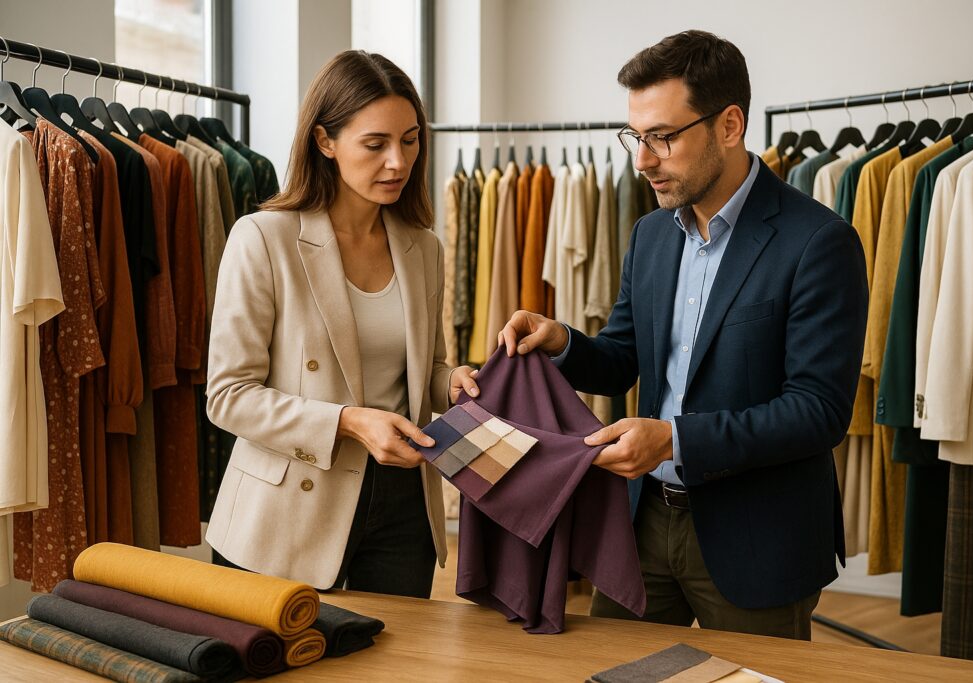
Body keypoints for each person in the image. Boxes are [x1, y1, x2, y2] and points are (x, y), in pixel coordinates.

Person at [498, 30, 868, 639]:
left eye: (663, 137)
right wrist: (560, 339)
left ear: (729, 125)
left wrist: (674, 440)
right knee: (616, 674)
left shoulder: (819, 242)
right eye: (635, 137)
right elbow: (622, 358)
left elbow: (818, 412)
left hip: (757, 538)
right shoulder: (650, 235)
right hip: (642, 523)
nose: (642, 160)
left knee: (748, 679)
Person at [204, 51, 478, 597]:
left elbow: (425, 369)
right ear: (325, 141)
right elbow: (228, 396)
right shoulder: (264, 239)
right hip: (287, 509)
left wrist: (453, 382)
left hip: (403, 501)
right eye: (375, 144)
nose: (398, 162)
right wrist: (349, 422)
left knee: (395, 650)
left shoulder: (422, 247)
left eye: (410, 140)